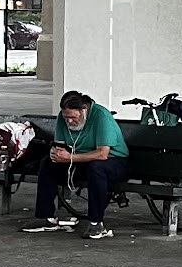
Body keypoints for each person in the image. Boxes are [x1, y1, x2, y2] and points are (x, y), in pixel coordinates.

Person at [24, 89, 129, 239]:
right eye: (66, 117)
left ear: (83, 110)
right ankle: (45, 217)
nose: (69, 121)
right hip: (79, 159)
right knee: (48, 164)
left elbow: (102, 154)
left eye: (73, 117)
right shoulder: (63, 118)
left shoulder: (101, 116)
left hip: (113, 161)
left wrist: (70, 158)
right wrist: (56, 153)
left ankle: (96, 223)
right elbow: (60, 144)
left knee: (96, 168)